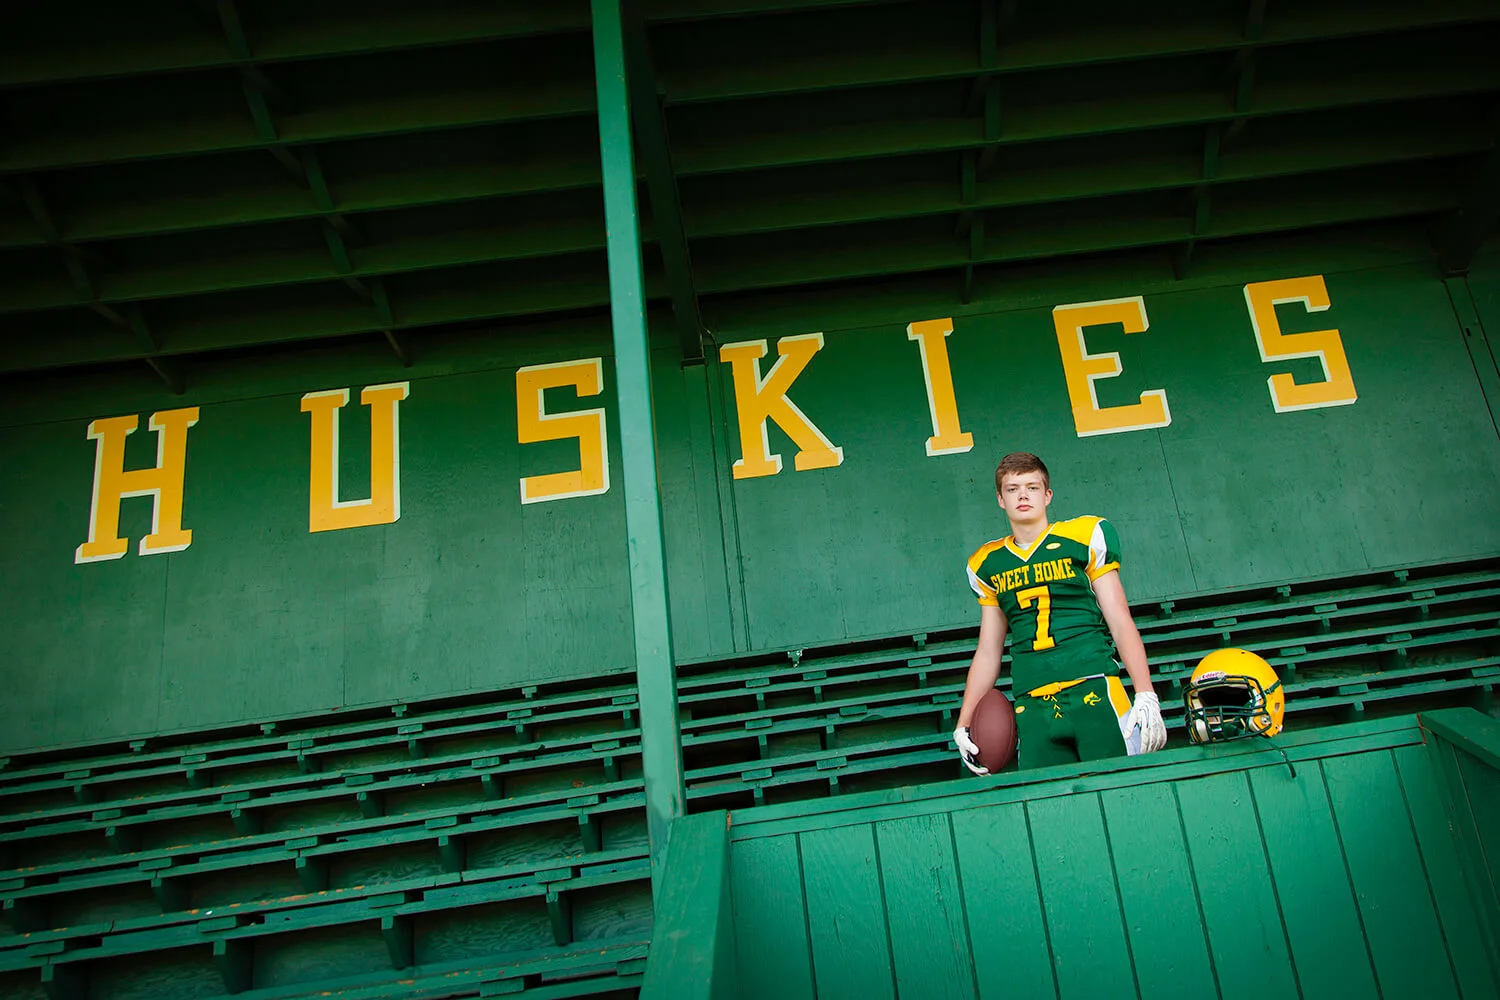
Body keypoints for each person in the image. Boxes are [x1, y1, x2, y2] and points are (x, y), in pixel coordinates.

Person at [954, 452, 1167, 773]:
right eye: (1012, 489)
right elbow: (988, 651)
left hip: (1093, 684)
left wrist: (1145, 692)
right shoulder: (987, 563)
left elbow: (1120, 621)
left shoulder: (1082, 536)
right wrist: (964, 722)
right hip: (1033, 701)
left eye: (1032, 487)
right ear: (1000, 499)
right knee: (1051, 808)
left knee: (1124, 790)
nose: (1023, 495)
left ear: (1048, 495)